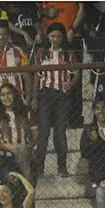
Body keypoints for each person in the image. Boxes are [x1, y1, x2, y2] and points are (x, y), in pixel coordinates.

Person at [33, 23, 79, 178]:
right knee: (43, 131)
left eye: (59, 36)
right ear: (48, 37)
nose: (56, 39)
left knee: (60, 131)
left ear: (63, 37)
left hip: (62, 95)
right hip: (45, 94)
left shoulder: (68, 53)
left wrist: (70, 85)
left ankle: (62, 167)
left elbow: (76, 74)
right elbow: (37, 75)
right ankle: (39, 168)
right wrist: (34, 96)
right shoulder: (42, 52)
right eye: (53, 36)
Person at [0, 83, 36, 182]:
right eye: (3, 95)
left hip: (25, 154)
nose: (6, 97)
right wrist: (9, 147)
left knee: (27, 180)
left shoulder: (27, 112)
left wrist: (27, 147)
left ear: (15, 95)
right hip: (6, 158)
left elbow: (35, 135)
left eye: (9, 94)